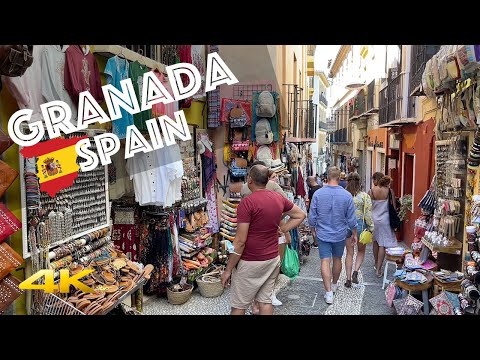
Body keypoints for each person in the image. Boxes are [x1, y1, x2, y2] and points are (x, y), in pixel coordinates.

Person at [222, 165, 305, 315]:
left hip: (250, 260)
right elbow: (300, 215)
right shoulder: (278, 198)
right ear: (267, 180)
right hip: (271, 258)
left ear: (250, 180)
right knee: (265, 301)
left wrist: (228, 270)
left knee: (239, 306)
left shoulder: (246, 203)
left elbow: (240, 241)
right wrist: (284, 229)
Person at [241, 162, 292, 307]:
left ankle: (253, 301)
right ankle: (268, 295)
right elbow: (288, 208)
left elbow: (244, 215)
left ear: (251, 177)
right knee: (272, 269)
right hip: (273, 232)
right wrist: (278, 223)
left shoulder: (245, 187)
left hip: (252, 234)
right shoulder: (274, 187)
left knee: (252, 272)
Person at [308, 166, 357, 305]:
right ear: (340, 178)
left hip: (323, 233)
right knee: (337, 259)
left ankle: (328, 292)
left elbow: (312, 216)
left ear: (327, 178)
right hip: (340, 234)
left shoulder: (318, 194)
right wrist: (354, 233)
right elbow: (351, 219)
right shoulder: (347, 195)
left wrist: (313, 230)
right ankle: (334, 284)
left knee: (325, 261)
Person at [344, 172, 374, 288]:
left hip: (346, 226)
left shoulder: (345, 195)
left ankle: (348, 279)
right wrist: (371, 227)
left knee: (349, 253)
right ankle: (355, 271)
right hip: (360, 226)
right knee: (361, 251)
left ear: (348, 182)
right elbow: (368, 214)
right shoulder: (364, 196)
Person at [369, 173, 398, 278]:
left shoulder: (371, 191)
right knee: (382, 244)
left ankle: (376, 263)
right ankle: (378, 269)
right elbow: (394, 208)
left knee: (375, 241)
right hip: (385, 219)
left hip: (374, 220)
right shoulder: (389, 191)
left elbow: (368, 207)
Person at [306, 176, 322, 249]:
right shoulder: (320, 188)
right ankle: (320, 241)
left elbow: (309, 202)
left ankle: (316, 243)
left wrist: (307, 209)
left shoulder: (312, 190)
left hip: (313, 210)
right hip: (320, 210)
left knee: (312, 227)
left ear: (310, 181)